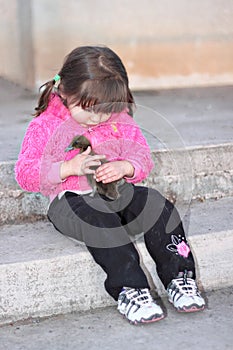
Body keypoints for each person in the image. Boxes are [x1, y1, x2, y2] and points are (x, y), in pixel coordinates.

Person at [15, 45, 205, 325]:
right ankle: (131, 289)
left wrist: (125, 167)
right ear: (66, 93)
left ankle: (180, 278)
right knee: (100, 221)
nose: (99, 118)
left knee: (157, 204)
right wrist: (68, 168)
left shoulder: (119, 119)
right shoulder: (45, 126)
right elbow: (25, 173)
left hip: (117, 192)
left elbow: (141, 155)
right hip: (70, 200)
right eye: (90, 110)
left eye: (107, 111)